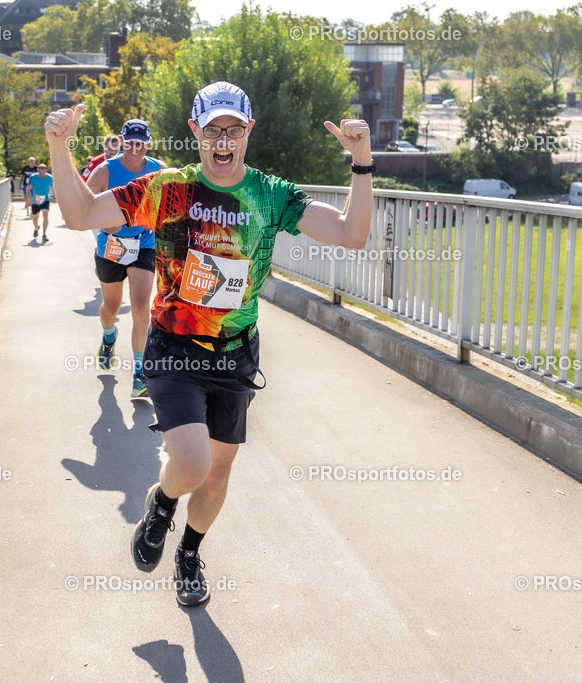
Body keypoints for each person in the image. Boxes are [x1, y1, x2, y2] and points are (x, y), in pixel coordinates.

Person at [44, 82, 373, 606]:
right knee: (193, 465)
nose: (223, 140)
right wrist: (59, 147)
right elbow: (80, 215)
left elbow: (350, 234)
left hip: (235, 353)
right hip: (175, 347)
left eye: (233, 130)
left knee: (216, 477)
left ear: (248, 132)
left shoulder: (270, 194)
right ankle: (162, 502)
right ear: (194, 132)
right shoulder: (168, 188)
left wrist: (361, 162)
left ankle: (189, 553)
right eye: (212, 130)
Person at [86, 120, 165, 398]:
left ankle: (139, 374)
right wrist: (102, 221)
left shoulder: (159, 170)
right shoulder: (106, 170)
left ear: (149, 143)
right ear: (122, 141)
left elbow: (176, 201)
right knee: (111, 306)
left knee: (141, 307)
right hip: (111, 246)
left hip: (144, 243)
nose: (135, 148)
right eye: (130, 142)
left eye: (140, 143)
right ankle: (109, 336)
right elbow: (83, 201)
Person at [26, 163, 54, 242]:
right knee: (35, 217)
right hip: (35, 200)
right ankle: (36, 228)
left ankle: (44, 234)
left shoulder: (50, 178)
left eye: (43, 170)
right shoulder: (33, 177)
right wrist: (29, 198)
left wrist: (55, 197)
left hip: (45, 200)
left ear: (46, 170)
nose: (41, 172)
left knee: (45, 215)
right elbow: (28, 188)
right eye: (40, 170)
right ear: (37, 170)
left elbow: (53, 188)